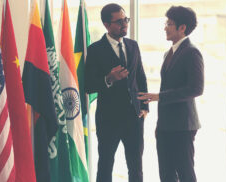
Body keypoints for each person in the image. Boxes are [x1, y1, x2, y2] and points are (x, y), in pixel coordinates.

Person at [137, 6, 204, 182]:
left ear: (182, 28)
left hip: (183, 126)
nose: (165, 27)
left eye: (169, 23)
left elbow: (196, 88)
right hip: (166, 125)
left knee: (185, 174)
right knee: (166, 174)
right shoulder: (169, 53)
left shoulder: (192, 52)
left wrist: (160, 96)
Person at [84, 3, 148, 182]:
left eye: (126, 19)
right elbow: (88, 85)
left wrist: (144, 108)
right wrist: (109, 79)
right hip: (108, 119)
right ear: (106, 24)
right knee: (105, 165)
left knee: (136, 167)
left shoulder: (133, 45)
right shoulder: (95, 50)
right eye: (119, 21)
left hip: (134, 117)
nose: (125, 24)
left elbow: (140, 78)